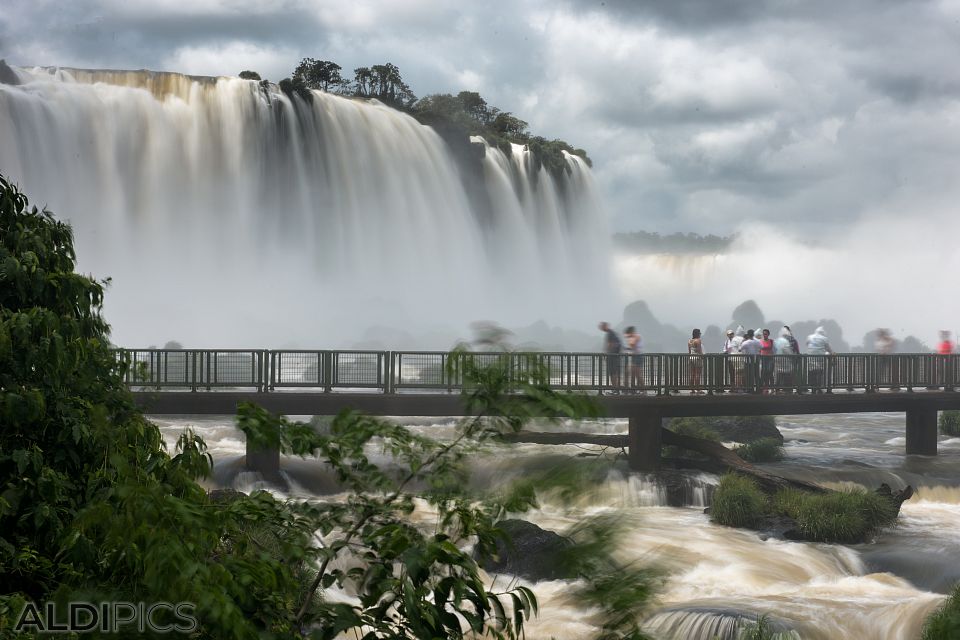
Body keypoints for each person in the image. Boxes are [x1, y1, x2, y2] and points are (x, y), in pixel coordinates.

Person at [806, 326, 834, 392]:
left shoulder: (810, 337)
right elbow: (828, 349)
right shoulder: (824, 338)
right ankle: (819, 388)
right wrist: (832, 353)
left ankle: (813, 388)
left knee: (812, 372)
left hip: (810, 358)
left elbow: (807, 344)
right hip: (820, 359)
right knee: (820, 372)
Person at [599, 322, 623, 393]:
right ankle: (615, 389)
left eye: (602, 326)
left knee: (613, 373)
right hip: (615, 356)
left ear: (605, 326)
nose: (601, 328)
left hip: (612, 356)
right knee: (614, 373)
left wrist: (606, 353)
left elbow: (610, 344)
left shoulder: (610, 333)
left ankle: (615, 389)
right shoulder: (612, 333)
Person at [774, 326, 796, 390]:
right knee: (787, 374)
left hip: (777, 360)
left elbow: (774, 350)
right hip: (785, 361)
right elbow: (788, 351)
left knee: (778, 374)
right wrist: (792, 355)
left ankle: (777, 388)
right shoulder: (785, 342)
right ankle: (787, 388)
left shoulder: (776, 340)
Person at [624, 326, 644, 391]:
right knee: (631, 373)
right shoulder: (633, 337)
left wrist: (629, 344)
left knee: (638, 375)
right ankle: (633, 390)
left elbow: (633, 346)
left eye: (628, 333)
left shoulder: (637, 336)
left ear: (631, 332)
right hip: (634, 357)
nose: (627, 335)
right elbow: (632, 348)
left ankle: (644, 390)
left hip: (638, 357)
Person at [688, 328, 704, 394]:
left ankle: (692, 389)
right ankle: (698, 389)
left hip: (691, 358)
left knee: (692, 374)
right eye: (699, 333)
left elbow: (689, 351)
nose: (700, 335)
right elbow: (699, 350)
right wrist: (703, 357)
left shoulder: (690, 341)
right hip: (697, 358)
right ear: (698, 334)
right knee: (698, 374)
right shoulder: (698, 340)